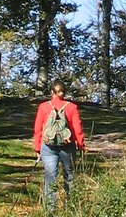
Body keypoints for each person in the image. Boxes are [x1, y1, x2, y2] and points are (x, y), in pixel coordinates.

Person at [32, 79, 85, 211]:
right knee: (69, 176)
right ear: (64, 93)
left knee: (50, 177)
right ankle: (71, 207)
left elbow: (38, 129)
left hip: (48, 146)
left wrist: (37, 148)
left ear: (51, 92)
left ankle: (50, 210)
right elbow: (77, 128)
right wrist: (81, 145)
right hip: (67, 146)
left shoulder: (43, 106)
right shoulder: (72, 107)